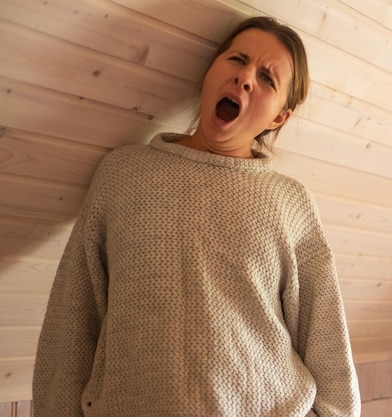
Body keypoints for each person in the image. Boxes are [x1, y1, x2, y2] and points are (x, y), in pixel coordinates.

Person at [33, 16, 361, 417]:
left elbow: (327, 339)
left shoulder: (291, 202)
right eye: (237, 60)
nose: (244, 78)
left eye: (267, 79)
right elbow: (73, 316)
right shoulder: (123, 173)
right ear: (210, 73)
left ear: (279, 117)